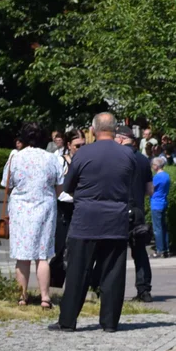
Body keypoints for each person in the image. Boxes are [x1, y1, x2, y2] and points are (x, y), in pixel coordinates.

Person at [55, 112, 134, 332]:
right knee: (113, 274)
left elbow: (68, 186)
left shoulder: (83, 153)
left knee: (78, 273)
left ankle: (68, 321)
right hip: (116, 220)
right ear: (116, 129)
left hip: (86, 220)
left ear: (93, 129)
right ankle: (109, 322)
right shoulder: (127, 155)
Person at [3, 123, 60, 308]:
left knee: (22, 255)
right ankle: (45, 297)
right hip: (44, 207)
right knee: (42, 255)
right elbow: (59, 186)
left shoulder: (16, 158)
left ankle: (22, 296)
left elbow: (7, 183)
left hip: (20, 209)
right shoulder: (51, 158)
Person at [115, 127, 154, 302]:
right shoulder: (144, 160)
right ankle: (144, 290)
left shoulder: (115, 159)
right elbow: (150, 190)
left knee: (115, 252)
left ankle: (112, 290)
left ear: (121, 139)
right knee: (140, 252)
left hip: (118, 209)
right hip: (137, 210)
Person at [50, 129, 87, 288]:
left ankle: (76, 286)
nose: (81, 149)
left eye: (83, 145)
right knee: (60, 248)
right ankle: (55, 285)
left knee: (79, 249)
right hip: (64, 208)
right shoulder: (59, 161)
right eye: (77, 146)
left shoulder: (87, 160)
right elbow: (56, 187)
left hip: (82, 207)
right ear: (69, 145)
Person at [150, 157, 172, 258]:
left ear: (156, 166)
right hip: (163, 202)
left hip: (156, 203)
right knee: (163, 227)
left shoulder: (157, 177)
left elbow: (150, 189)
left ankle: (159, 250)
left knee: (157, 228)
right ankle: (166, 249)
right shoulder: (166, 176)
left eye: (153, 165)